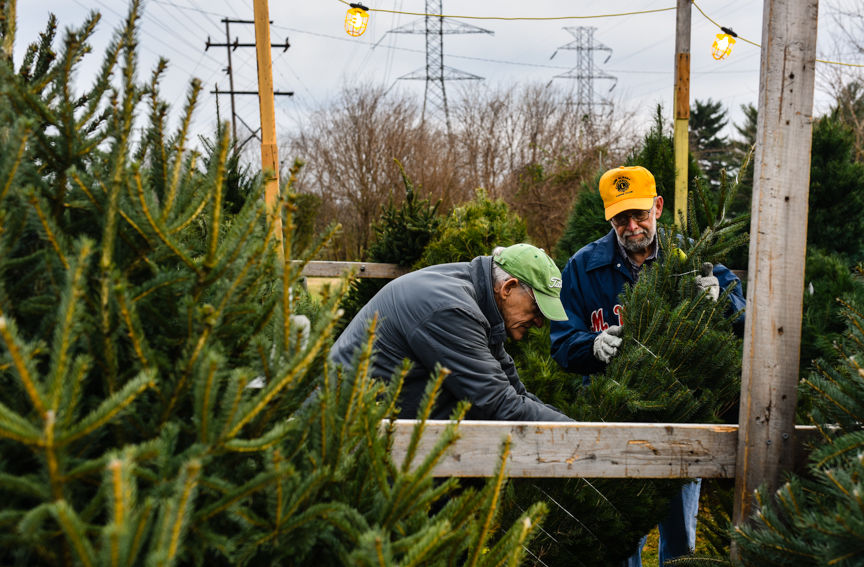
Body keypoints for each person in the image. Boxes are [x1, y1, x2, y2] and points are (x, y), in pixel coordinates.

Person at [550, 165, 746, 567]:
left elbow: (747, 323)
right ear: (610, 219)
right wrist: (594, 346)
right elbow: (562, 342)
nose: (632, 225)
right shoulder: (583, 268)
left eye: (639, 214)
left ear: (657, 207)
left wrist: (720, 301)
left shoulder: (691, 258)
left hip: (683, 418)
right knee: (621, 534)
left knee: (680, 535)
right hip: (613, 419)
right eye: (621, 218)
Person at [331, 243, 573, 422]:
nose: (540, 323)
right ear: (508, 288)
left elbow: (516, 393)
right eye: (537, 309)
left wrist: (577, 426)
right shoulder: (450, 309)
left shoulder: (483, 306)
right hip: (342, 433)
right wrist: (578, 436)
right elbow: (498, 404)